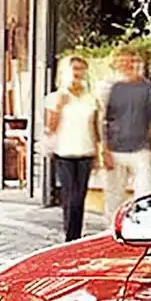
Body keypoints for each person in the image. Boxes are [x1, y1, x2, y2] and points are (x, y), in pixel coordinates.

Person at [44, 55, 102, 241]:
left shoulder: (90, 99)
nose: (78, 73)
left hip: (86, 152)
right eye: (74, 68)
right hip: (64, 153)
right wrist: (59, 107)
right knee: (70, 197)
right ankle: (71, 237)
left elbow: (94, 128)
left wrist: (98, 154)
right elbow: (50, 127)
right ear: (66, 71)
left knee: (80, 198)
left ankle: (75, 235)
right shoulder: (55, 97)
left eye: (81, 69)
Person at [102, 47, 151, 221]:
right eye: (123, 61)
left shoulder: (147, 87)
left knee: (146, 194)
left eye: (131, 60)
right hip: (115, 149)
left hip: (141, 149)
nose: (127, 64)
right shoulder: (109, 88)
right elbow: (100, 120)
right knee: (114, 197)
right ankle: (111, 230)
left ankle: (144, 228)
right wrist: (104, 150)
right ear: (116, 63)